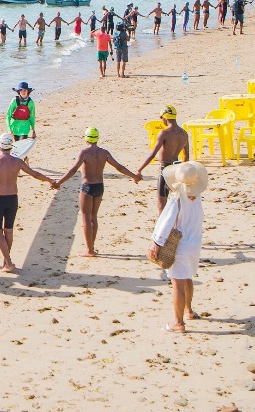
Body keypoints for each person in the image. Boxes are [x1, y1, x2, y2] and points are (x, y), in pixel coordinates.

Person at [53, 127, 141, 257]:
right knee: (94, 217)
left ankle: (89, 250)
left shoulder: (84, 153)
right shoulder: (104, 153)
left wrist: (59, 182)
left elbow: (73, 170)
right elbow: (119, 167)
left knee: (86, 217)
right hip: (100, 187)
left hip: (87, 187)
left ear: (86, 138)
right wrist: (134, 176)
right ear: (97, 138)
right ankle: (91, 247)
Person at [0, 133, 55, 272]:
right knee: (8, 230)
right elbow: (35, 174)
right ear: (11, 147)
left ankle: (8, 262)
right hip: (12, 199)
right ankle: (6, 262)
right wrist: (50, 180)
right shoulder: (18, 162)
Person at [149, 162, 208, 332]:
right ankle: (188, 310)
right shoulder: (196, 197)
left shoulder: (176, 199)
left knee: (177, 285)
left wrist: (156, 243)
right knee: (188, 277)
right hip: (195, 243)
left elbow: (166, 222)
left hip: (180, 245)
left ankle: (178, 323)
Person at [137, 105, 190, 213]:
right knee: (176, 200)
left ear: (165, 117)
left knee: (162, 202)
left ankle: (164, 227)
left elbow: (153, 154)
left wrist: (139, 170)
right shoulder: (184, 133)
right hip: (177, 167)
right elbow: (186, 156)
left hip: (165, 168)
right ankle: (175, 226)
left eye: (161, 117)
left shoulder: (165, 133)